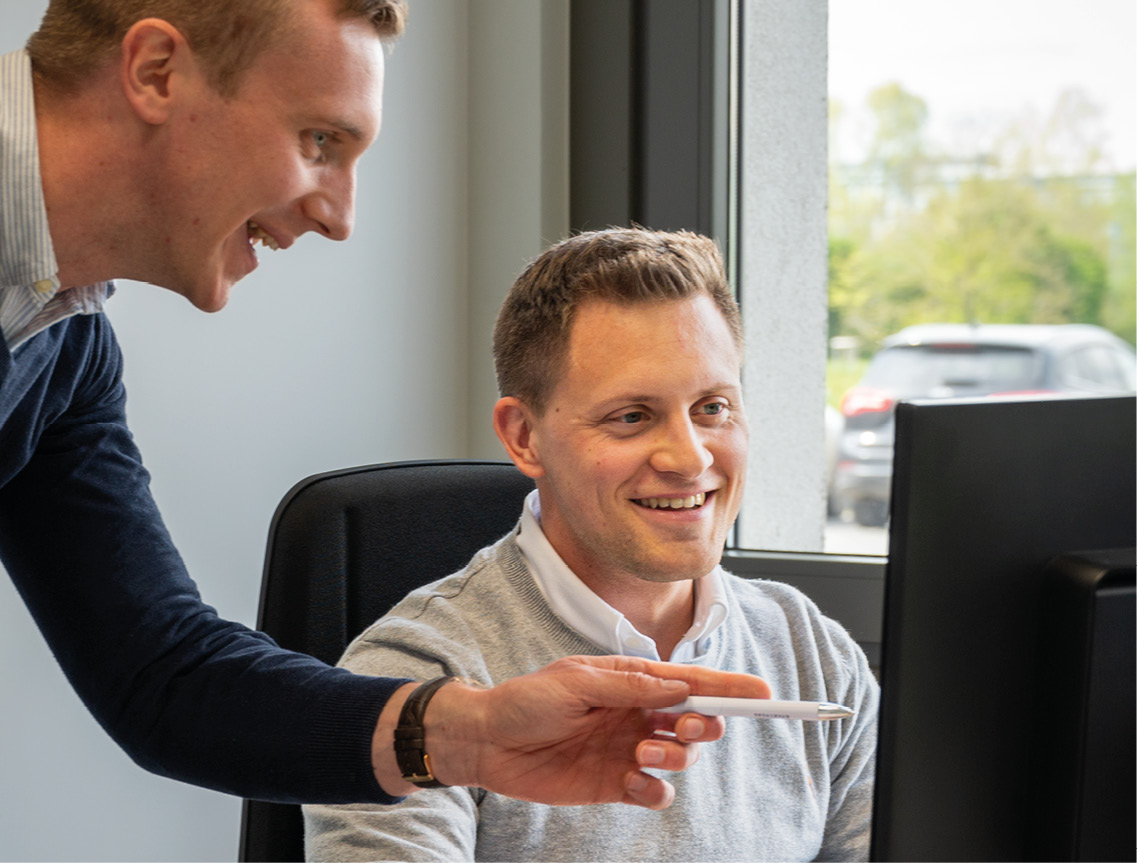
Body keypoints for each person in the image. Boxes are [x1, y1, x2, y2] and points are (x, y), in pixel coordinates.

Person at [0, 4, 769, 859]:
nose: (340, 215)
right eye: (319, 141)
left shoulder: (60, 342)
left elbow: (159, 671)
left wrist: (467, 732)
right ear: (156, 71)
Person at [304, 228, 881, 862]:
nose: (690, 458)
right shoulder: (421, 683)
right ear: (524, 437)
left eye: (713, 407)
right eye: (631, 416)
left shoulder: (809, 649)